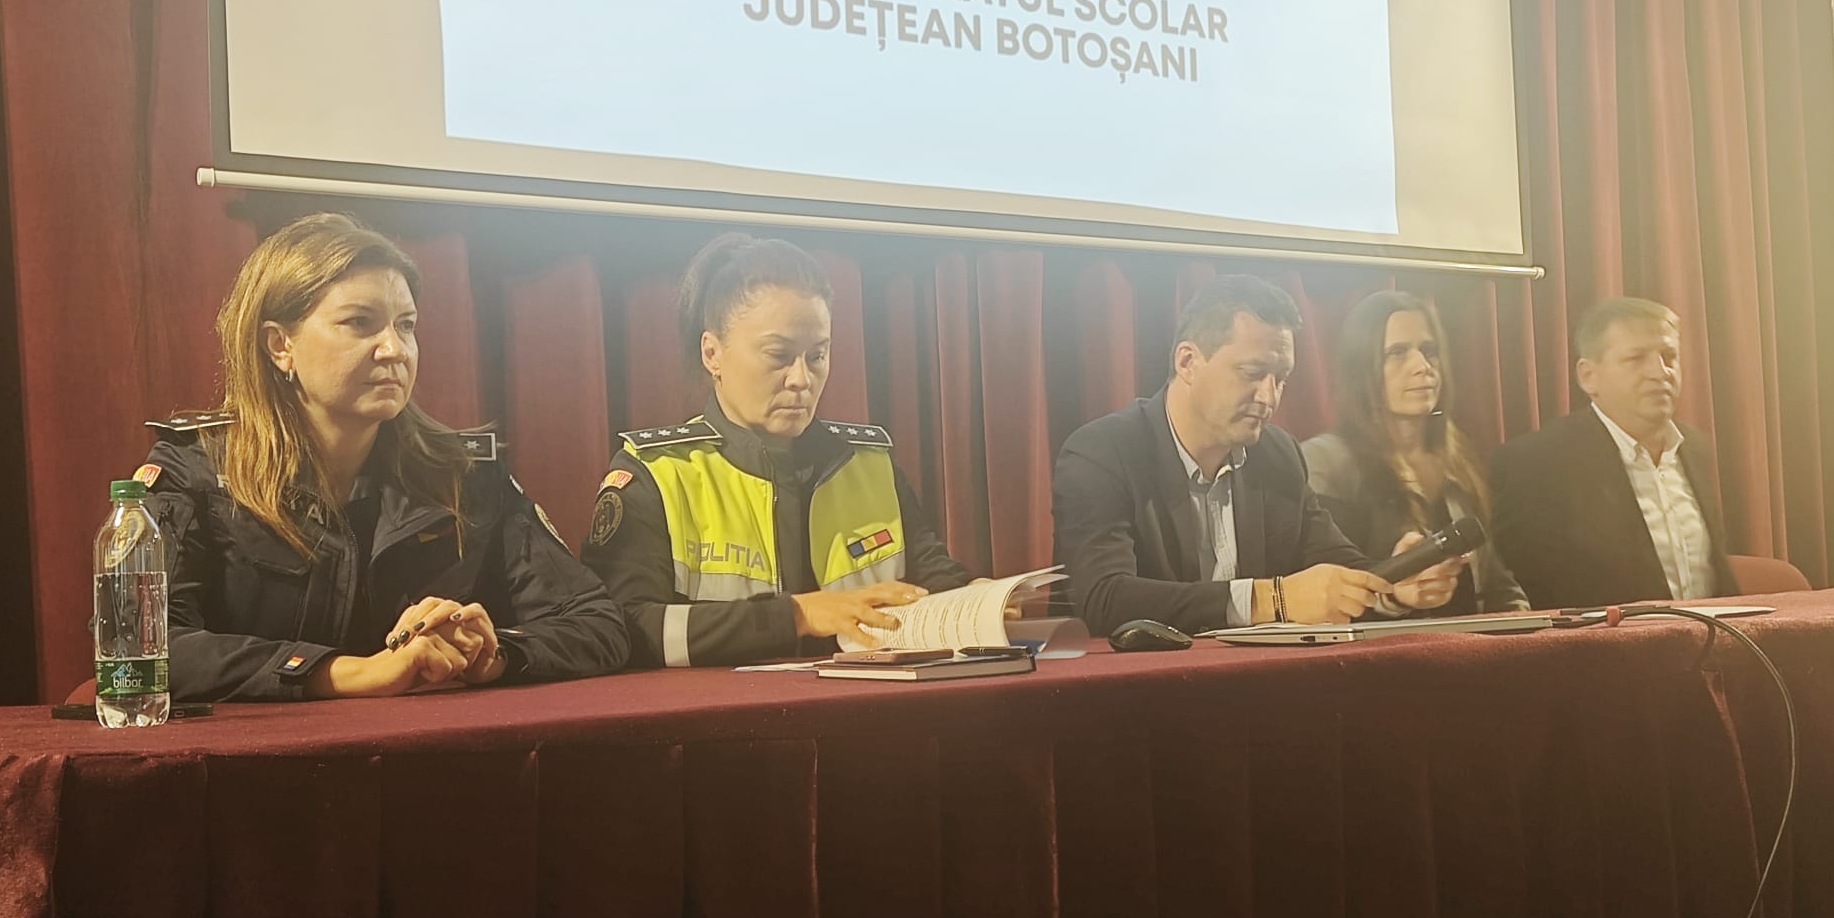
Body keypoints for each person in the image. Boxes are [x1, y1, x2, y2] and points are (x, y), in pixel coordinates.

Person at [135, 214, 629, 701]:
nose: (395, 349)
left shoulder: (464, 475)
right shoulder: (195, 471)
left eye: (406, 325)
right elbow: (143, 645)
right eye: (359, 323)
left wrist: (491, 652)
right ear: (280, 345)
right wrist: (349, 673)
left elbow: (598, 623)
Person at [582, 232, 971, 667]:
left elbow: (933, 580)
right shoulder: (656, 474)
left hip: (871, 703)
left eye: (817, 356)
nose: (801, 379)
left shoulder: (870, 464)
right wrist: (796, 616)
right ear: (712, 353)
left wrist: (979, 600)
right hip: (726, 709)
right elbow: (622, 630)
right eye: (778, 356)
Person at [1052, 274, 1464, 636]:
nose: (1269, 397)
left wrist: (1395, 584)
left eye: (1280, 379)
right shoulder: (1103, 453)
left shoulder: (1277, 454)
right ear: (1188, 361)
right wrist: (1271, 599)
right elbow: (1105, 599)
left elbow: (1336, 565)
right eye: (1252, 374)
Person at [1489, 297, 1736, 609]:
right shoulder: (1536, 463)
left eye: (1669, 356)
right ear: (1588, 376)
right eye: (1635, 359)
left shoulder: (1695, 448)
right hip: (1603, 639)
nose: (1659, 372)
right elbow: (1528, 590)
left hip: (1713, 633)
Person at [1302, 290, 1528, 614]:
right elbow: (1327, 599)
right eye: (1397, 353)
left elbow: (1496, 582)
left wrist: (1523, 622)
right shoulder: (1326, 463)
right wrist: (1394, 596)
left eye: (1429, 351)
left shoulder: (1459, 457)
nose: (1422, 366)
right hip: (1383, 645)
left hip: (1473, 642)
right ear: (1360, 368)